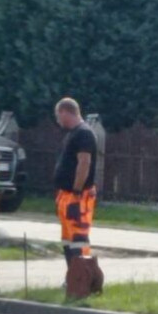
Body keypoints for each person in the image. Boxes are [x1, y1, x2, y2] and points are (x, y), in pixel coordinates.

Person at [53, 97, 104, 299]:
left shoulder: (83, 134)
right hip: (67, 195)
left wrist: (76, 189)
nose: (58, 120)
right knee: (68, 240)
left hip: (76, 197)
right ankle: (73, 278)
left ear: (66, 111)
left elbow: (84, 163)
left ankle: (83, 283)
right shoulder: (74, 134)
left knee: (78, 240)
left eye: (59, 115)